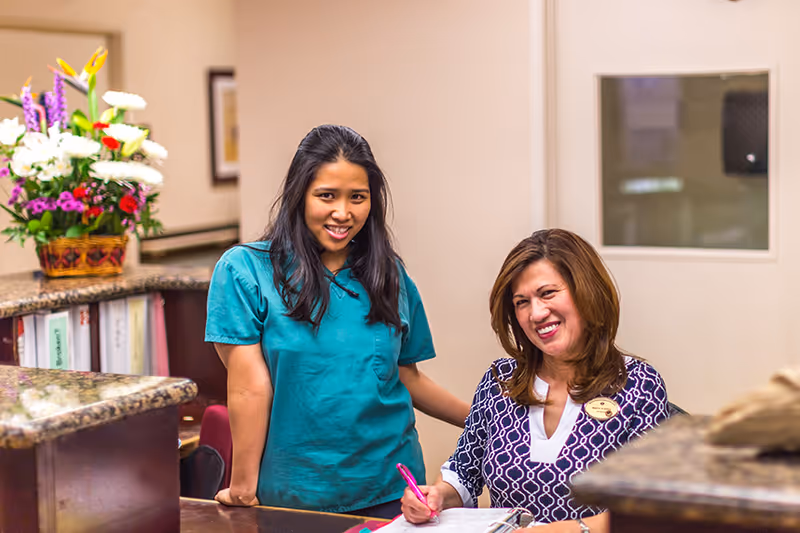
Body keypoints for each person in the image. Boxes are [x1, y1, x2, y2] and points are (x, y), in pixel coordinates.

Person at [205, 124, 470, 518]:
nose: (343, 213)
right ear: (300, 195)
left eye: (357, 198)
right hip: (294, 500)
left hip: (392, 490)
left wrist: (486, 421)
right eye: (326, 195)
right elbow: (250, 389)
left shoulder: (388, 274)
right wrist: (243, 486)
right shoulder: (246, 271)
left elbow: (405, 377)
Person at [401, 229, 670, 532]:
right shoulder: (500, 381)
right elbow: (464, 472)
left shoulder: (638, 385)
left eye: (547, 293)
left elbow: (647, 511)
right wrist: (436, 496)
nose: (537, 313)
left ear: (587, 291)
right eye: (521, 302)